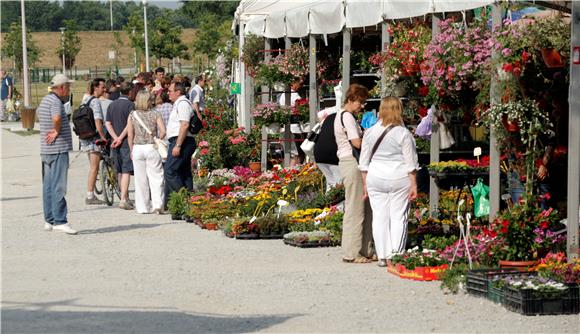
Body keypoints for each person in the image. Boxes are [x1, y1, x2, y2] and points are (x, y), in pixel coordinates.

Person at [359, 97, 419, 267]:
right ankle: (396, 254)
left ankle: (382, 255)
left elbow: (363, 163)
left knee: (379, 216)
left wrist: (365, 185)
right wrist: (413, 184)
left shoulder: (370, 132)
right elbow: (411, 163)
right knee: (398, 216)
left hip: (375, 176)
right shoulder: (403, 133)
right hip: (399, 177)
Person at [334, 84, 374, 263]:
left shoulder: (344, 116)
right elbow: (356, 143)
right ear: (351, 99)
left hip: (352, 163)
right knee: (355, 208)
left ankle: (365, 249)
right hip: (352, 162)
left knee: (364, 207)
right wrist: (372, 137)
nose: (362, 105)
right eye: (360, 101)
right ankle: (352, 252)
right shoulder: (347, 117)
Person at [37, 74, 77, 234]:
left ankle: (49, 219)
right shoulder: (55, 102)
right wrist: (57, 130)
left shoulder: (45, 100)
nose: (69, 90)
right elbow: (57, 117)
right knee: (59, 186)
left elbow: (40, 114)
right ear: (61, 87)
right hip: (58, 149)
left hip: (46, 150)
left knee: (48, 186)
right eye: (68, 86)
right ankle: (60, 220)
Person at [127, 90, 166, 214]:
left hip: (138, 148)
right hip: (151, 147)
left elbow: (130, 135)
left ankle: (143, 207)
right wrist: (158, 139)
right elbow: (163, 131)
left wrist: (131, 149)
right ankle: (157, 205)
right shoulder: (155, 114)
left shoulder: (132, 115)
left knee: (140, 180)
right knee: (156, 177)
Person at [164, 81, 196, 205]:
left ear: (178, 92)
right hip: (181, 140)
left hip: (182, 141)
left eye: (170, 91)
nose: (168, 93)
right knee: (183, 171)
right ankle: (187, 203)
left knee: (170, 170)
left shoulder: (182, 104)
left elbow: (184, 124)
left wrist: (178, 145)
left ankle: (183, 201)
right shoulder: (179, 103)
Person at [105, 81, 135, 210]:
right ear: (130, 92)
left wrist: (115, 137)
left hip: (114, 142)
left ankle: (125, 196)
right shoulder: (130, 105)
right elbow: (130, 124)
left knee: (119, 170)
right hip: (125, 142)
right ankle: (123, 199)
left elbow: (107, 123)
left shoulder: (112, 105)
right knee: (126, 170)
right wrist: (121, 138)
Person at [80, 78, 107, 205]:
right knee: (94, 167)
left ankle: (91, 193)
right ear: (95, 88)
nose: (105, 89)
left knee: (93, 166)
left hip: (85, 137)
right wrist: (102, 136)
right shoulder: (95, 101)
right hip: (93, 138)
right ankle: (90, 195)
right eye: (102, 87)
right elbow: (97, 121)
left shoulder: (85, 99)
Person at [279, 78, 306, 165]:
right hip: (294, 129)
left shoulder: (283, 95)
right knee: (298, 155)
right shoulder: (294, 95)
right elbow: (301, 108)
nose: (300, 86)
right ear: (293, 83)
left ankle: (289, 173)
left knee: (291, 154)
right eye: (299, 84)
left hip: (285, 129)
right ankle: (294, 173)